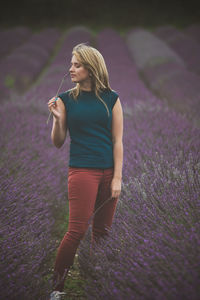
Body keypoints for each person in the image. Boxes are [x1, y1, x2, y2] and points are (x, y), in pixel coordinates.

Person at [47, 43, 123, 300]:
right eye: (71, 64)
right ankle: (57, 288)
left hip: (108, 174)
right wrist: (58, 119)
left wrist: (117, 178)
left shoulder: (112, 98)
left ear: (91, 69)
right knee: (76, 231)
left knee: (102, 234)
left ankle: (95, 286)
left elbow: (118, 141)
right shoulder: (67, 99)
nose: (71, 69)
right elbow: (58, 141)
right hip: (82, 172)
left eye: (77, 65)